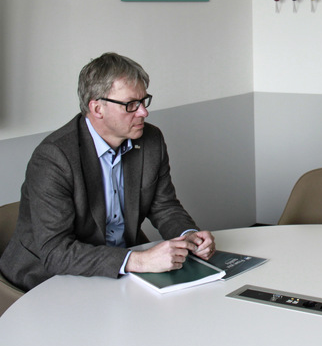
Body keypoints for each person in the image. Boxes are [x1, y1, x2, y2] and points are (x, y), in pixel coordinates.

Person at [0, 53, 216, 292]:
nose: (143, 112)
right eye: (131, 104)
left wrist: (188, 236)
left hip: (120, 264)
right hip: (45, 277)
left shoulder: (150, 140)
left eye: (145, 101)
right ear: (97, 108)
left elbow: (164, 206)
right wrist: (138, 261)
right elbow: (56, 252)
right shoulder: (54, 158)